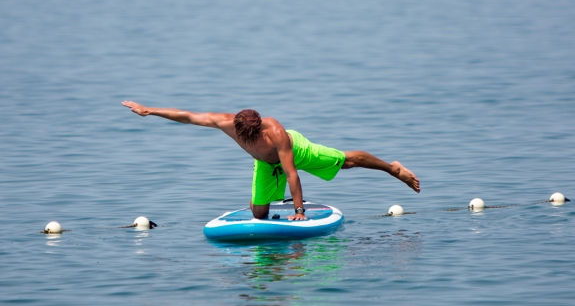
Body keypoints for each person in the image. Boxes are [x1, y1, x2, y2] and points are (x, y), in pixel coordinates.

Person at [122, 101, 420, 221]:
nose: (247, 140)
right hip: (265, 165)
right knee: (259, 213)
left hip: (294, 152)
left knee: (344, 161)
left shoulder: (276, 133)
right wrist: (149, 110)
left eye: (253, 135)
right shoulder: (225, 122)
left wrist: (300, 210)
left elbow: (292, 174)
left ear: (260, 127)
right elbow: (186, 116)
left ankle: (392, 168)